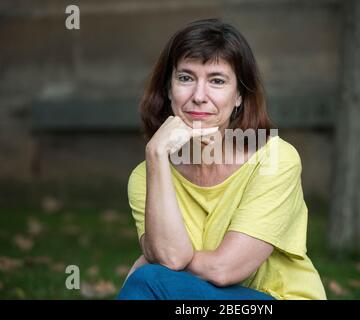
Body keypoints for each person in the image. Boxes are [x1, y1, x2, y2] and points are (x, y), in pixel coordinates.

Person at [117, 18, 326, 300]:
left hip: (273, 299)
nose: (199, 96)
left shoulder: (275, 159)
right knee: (152, 281)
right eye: (186, 78)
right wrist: (156, 154)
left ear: (239, 95)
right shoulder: (147, 175)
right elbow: (171, 259)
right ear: (168, 89)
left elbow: (224, 269)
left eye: (217, 81)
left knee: (150, 280)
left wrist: (150, 262)